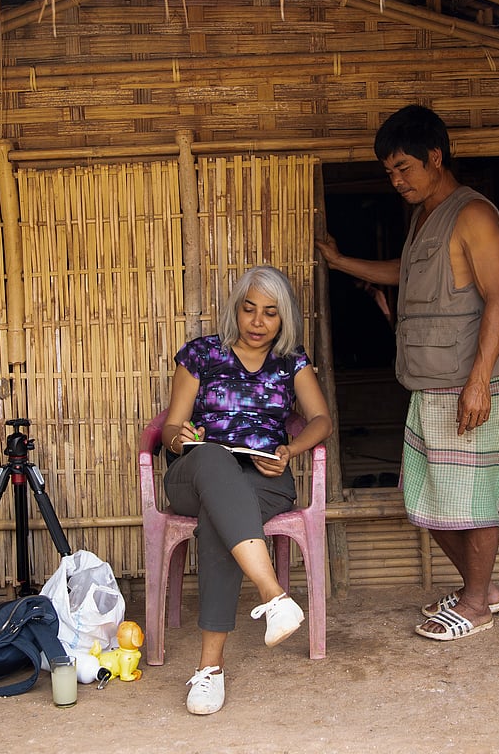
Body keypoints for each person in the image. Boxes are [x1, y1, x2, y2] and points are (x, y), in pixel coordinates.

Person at [315, 104, 499, 642]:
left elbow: (498, 300)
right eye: (389, 172)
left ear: (435, 156)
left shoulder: (473, 213)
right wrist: (340, 263)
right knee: (425, 501)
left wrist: (478, 383)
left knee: (471, 501)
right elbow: (406, 274)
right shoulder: (424, 215)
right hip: (429, 385)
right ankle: (485, 588)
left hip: (467, 384)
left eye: (404, 167)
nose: (396, 180)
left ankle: (475, 604)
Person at [160, 264, 333, 715]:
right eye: (249, 310)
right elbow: (171, 428)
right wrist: (184, 440)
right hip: (195, 473)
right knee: (215, 461)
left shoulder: (290, 361)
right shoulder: (201, 354)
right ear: (235, 310)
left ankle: (210, 670)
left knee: (223, 517)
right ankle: (274, 596)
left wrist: (289, 450)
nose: (258, 322)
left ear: (284, 317)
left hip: (264, 479)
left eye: (270, 313)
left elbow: (321, 419)